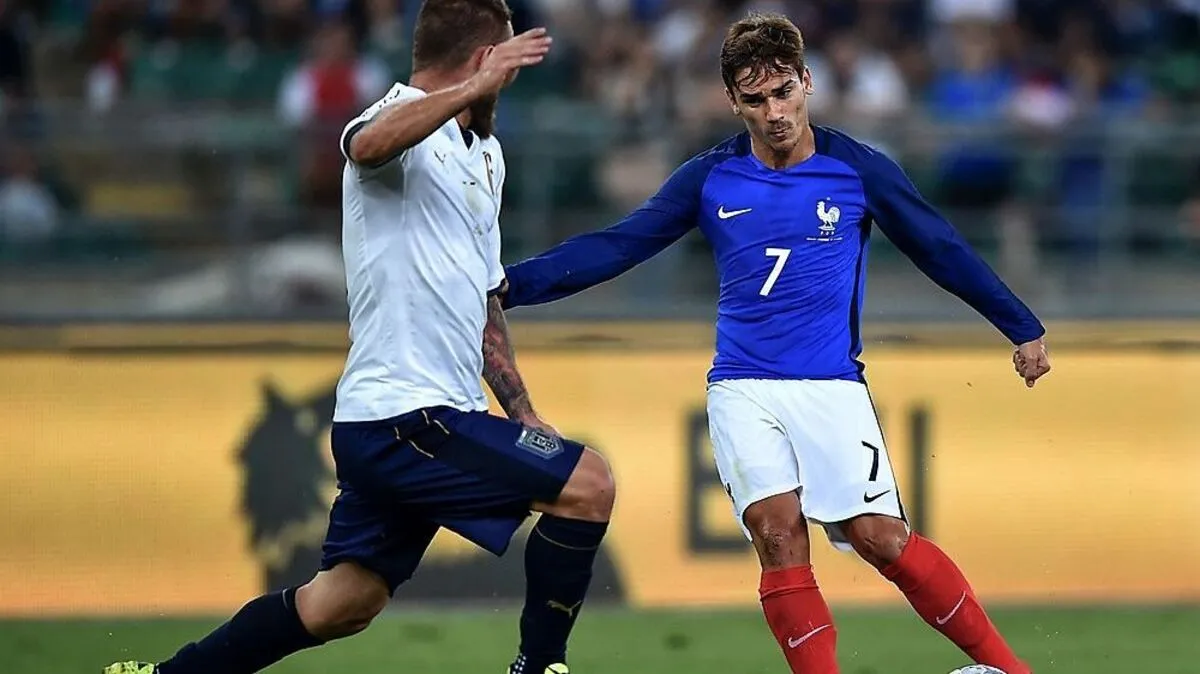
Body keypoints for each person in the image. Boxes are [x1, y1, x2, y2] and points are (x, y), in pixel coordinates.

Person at [500, 12, 1050, 674]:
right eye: (756, 100)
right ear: (733, 102)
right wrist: (510, 285)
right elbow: (618, 245)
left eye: (784, 92)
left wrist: (1019, 324)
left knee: (880, 538)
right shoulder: (709, 177)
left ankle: (1013, 670)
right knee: (777, 533)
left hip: (831, 386)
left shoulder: (858, 170)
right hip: (743, 387)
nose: (775, 113)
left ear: (806, 82)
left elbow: (939, 246)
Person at [104, 3, 612, 674]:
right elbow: (367, 145)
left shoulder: (485, 154)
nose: (513, 77)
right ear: (483, 59)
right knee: (588, 483)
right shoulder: (392, 119)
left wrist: (521, 410)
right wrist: (476, 87)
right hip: (403, 416)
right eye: (508, 60)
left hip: (420, 418)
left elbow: (486, 300)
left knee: (341, 603)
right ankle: (540, 667)